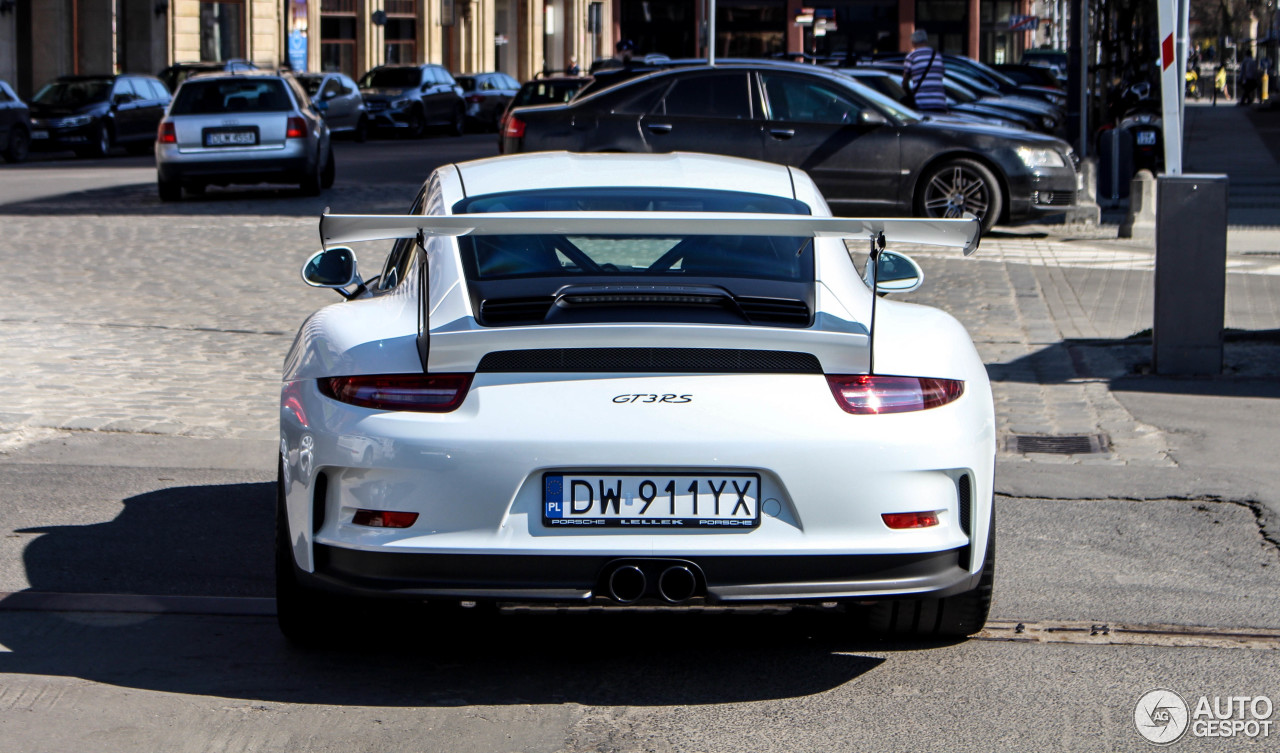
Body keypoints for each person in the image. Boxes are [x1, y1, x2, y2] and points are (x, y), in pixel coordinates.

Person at [902, 29, 947, 113]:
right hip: (939, 103)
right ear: (926, 41)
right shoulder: (937, 56)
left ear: (913, 43)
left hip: (921, 104)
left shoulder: (911, 56)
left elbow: (905, 83)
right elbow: (940, 77)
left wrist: (910, 95)